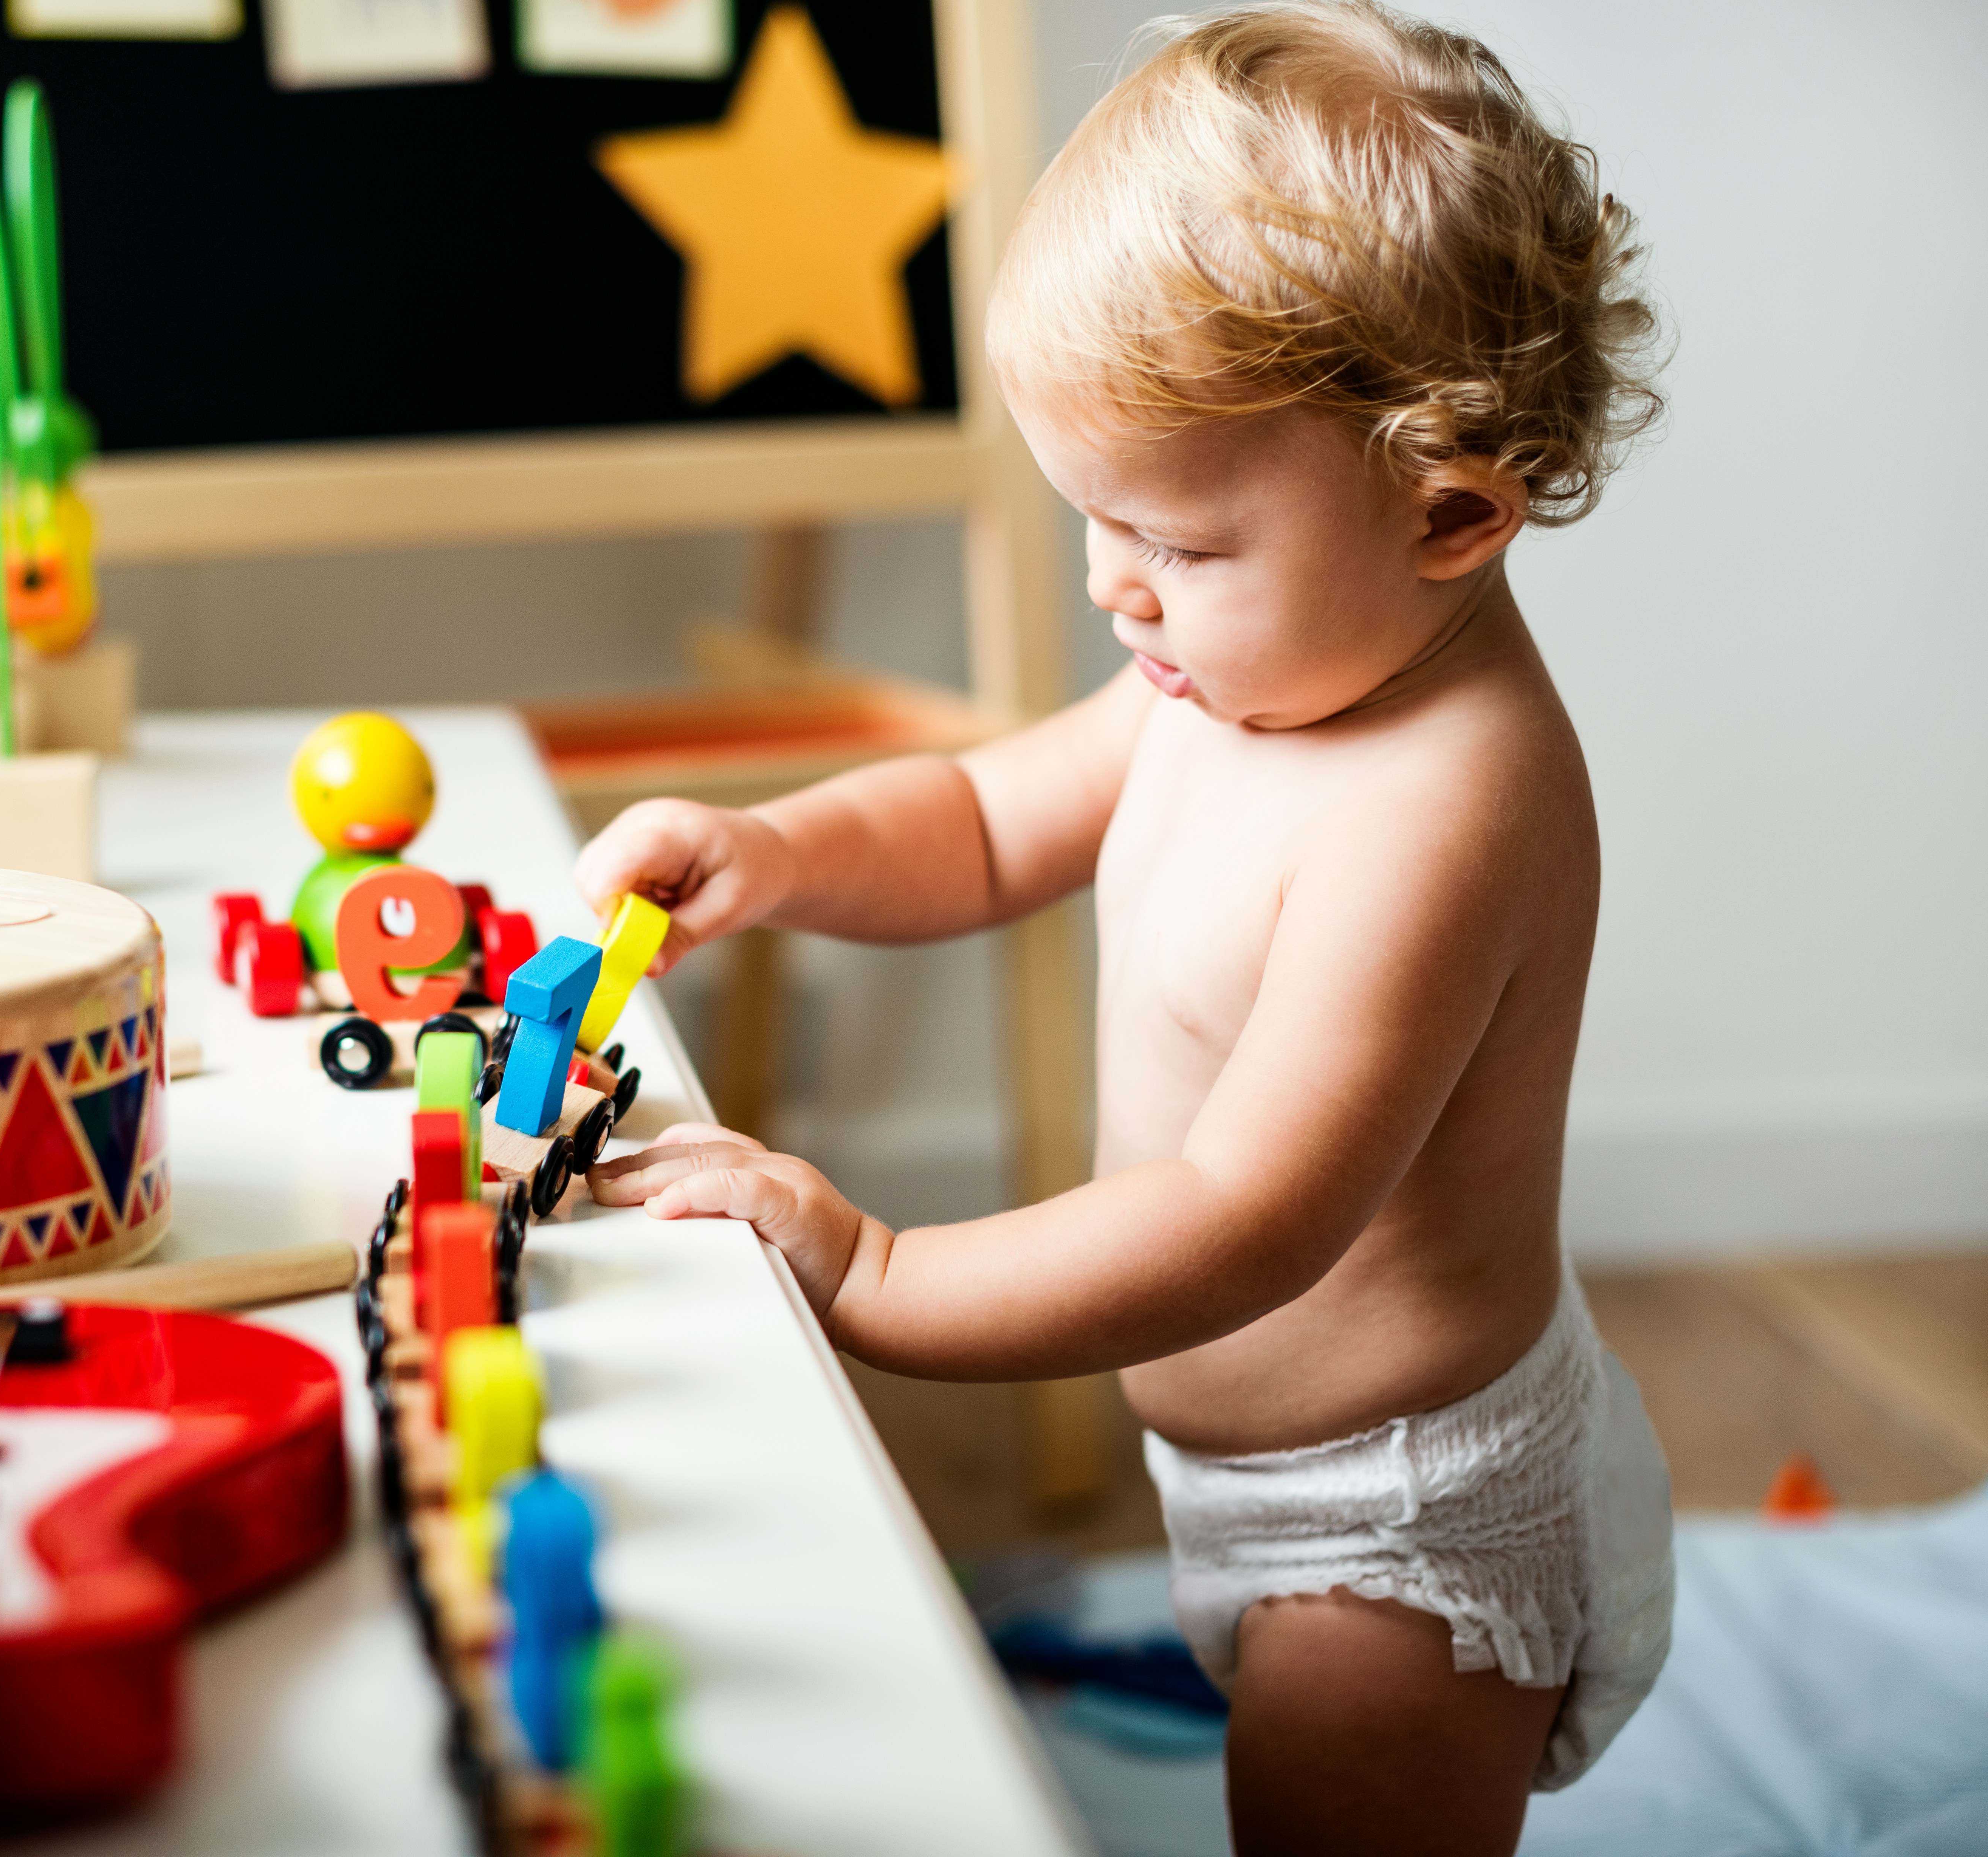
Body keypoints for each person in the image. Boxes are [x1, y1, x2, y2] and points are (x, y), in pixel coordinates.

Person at [577, 6, 1675, 1850]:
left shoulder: (1443, 805)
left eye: (1173, 536)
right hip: (1231, 1468)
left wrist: (877, 1276)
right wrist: (777, 848)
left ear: (1452, 511)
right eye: (1088, 514)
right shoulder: (1230, 680)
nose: (1110, 583)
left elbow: (1252, 1214)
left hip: (1393, 1521)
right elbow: (989, 816)